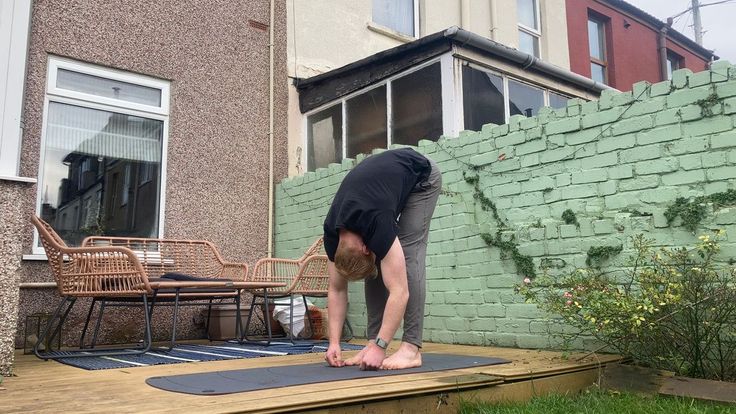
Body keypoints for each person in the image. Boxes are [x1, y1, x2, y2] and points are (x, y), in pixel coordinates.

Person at [323, 147, 441, 370]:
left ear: (366, 248)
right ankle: (371, 343)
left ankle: (411, 349)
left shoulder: (376, 222)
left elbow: (400, 291)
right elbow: (337, 289)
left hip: (422, 176)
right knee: (383, 261)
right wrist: (334, 343)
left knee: (408, 254)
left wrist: (382, 346)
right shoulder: (332, 235)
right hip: (382, 182)